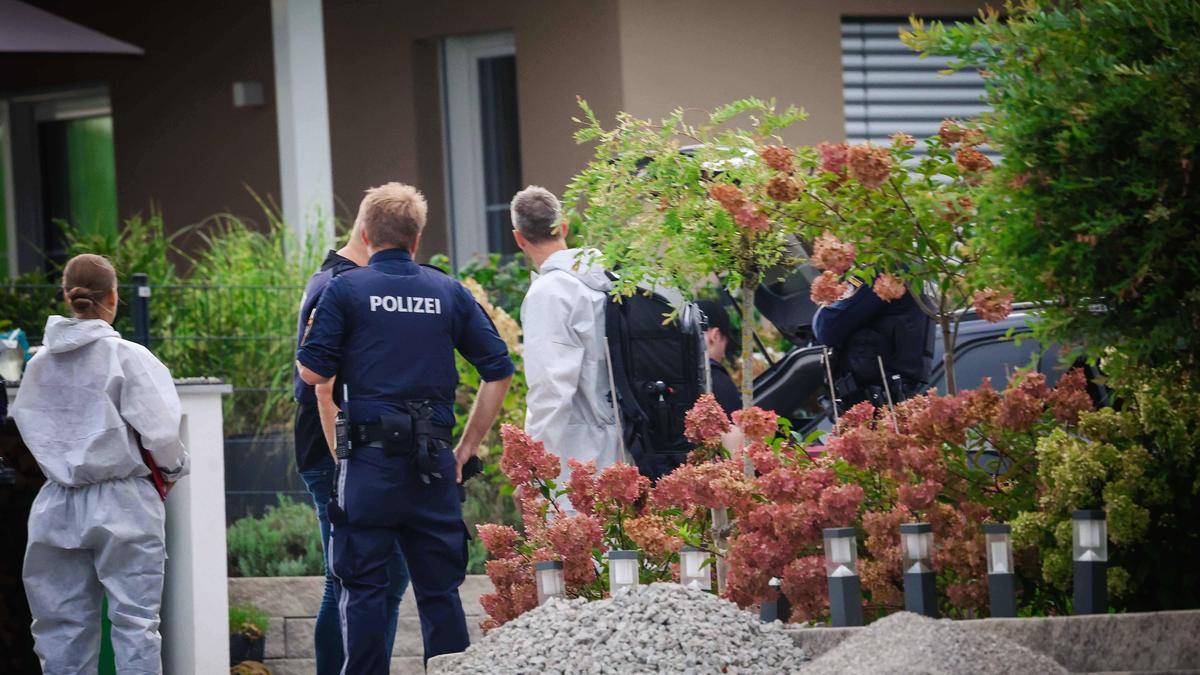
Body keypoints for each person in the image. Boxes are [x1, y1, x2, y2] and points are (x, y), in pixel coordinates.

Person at [297, 182, 513, 672]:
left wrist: (340, 452)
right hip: (433, 464)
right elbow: (498, 371)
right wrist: (465, 449)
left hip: (369, 466)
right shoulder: (448, 291)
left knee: (365, 592)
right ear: (417, 240)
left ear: (367, 236)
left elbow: (313, 376)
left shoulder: (343, 289)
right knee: (440, 594)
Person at [12, 253, 188, 674]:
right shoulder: (128, 357)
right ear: (113, 297)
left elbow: (25, 424)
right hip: (124, 498)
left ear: (65, 296)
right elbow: (162, 434)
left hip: (55, 501)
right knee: (135, 625)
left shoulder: (37, 365)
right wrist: (173, 470)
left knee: (60, 628)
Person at [294, 222, 410, 674]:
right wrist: (346, 463)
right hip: (336, 454)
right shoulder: (342, 285)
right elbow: (324, 386)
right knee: (353, 579)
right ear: (370, 235)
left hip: (337, 451)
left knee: (367, 577)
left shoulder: (329, 278)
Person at [510, 186, 621, 492]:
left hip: (577, 460)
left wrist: (531, 469)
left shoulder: (550, 294)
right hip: (625, 449)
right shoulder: (606, 281)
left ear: (518, 237)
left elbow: (550, 390)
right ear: (563, 228)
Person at [812, 275, 933, 407]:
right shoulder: (913, 271)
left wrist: (826, 303)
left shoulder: (880, 270)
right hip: (892, 398)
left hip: (879, 402)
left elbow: (826, 327)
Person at [695, 299, 742, 417]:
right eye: (726, 341)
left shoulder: (673, 376)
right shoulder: (717, 380)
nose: (723, 354)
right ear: (715, 335)